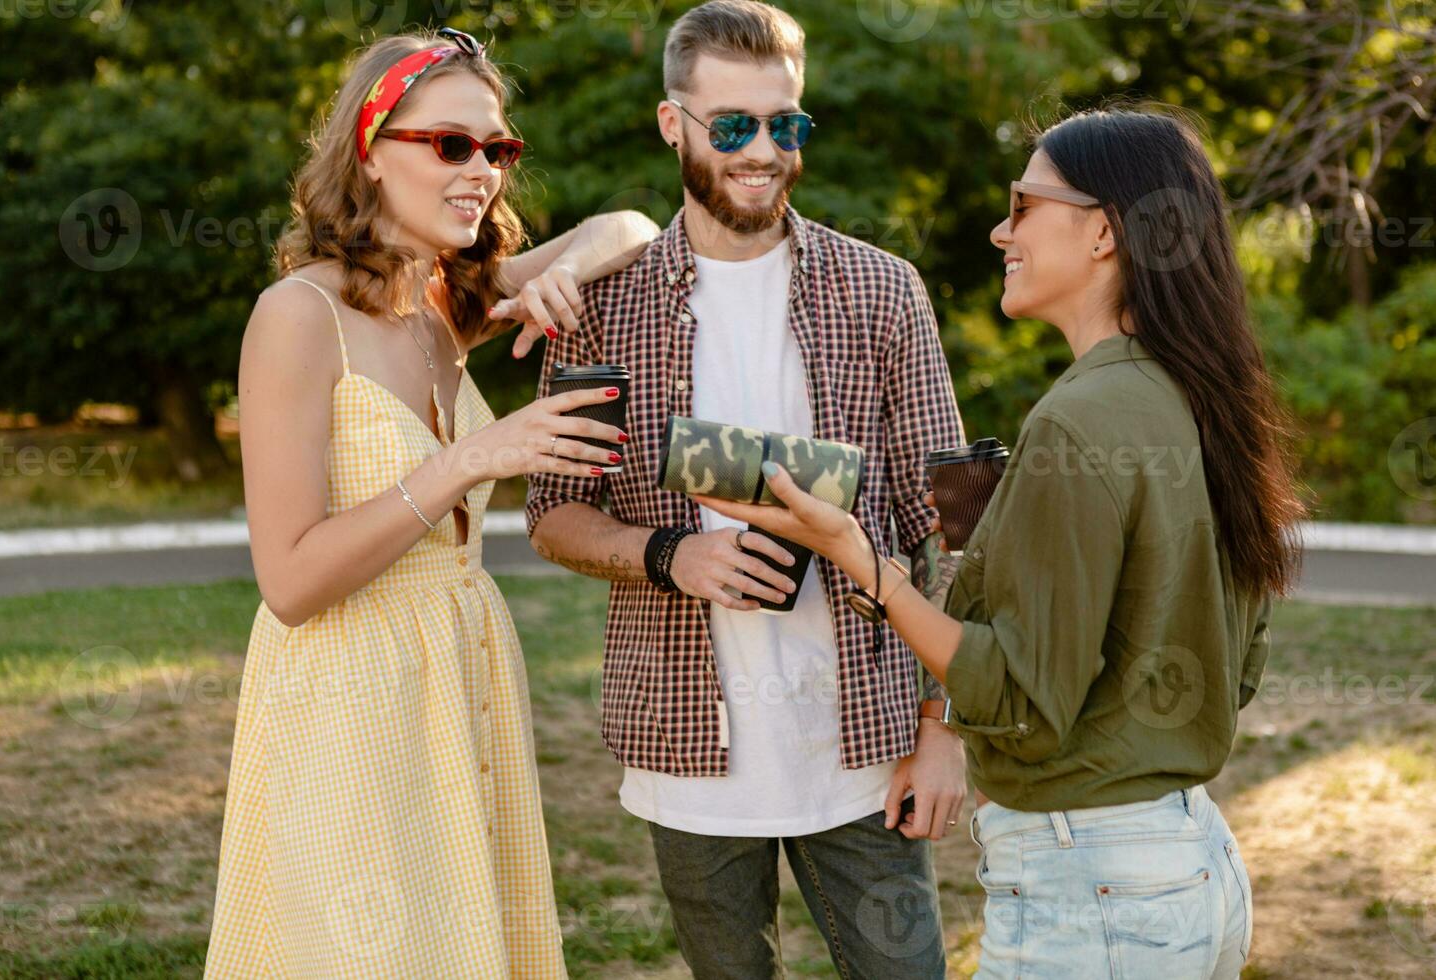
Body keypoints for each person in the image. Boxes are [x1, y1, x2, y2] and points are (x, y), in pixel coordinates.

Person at [696, 106, 1306, 979]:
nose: (999, 229)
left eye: (1022, 204)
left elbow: (1020, 700)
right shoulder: (1204, 396)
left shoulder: (1078, 419)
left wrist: (852, 553)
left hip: (1091, 893)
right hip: (1192, 867)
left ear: (1103, 232)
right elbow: (1233, 669)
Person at [525, 2, 966, 975]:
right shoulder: (600, 307)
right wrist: (670, 554)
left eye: (785, 123)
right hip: (689, 755)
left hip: (865, 745)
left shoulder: (884, 291)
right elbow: (553, 510)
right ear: (671, 122)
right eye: (733, 125)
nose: (763, 149)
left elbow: (948, 523)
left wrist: (944, 730)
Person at [205, 27, 656, 978]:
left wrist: (564, 277)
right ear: (370, 152)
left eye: (498, 149)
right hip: (344, 693)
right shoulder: (298, 316)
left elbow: (634, 228)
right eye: (450, 145)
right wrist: (469, 460)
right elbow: (287, 580)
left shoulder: (446, 305)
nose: (482, 171)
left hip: (458, 675)